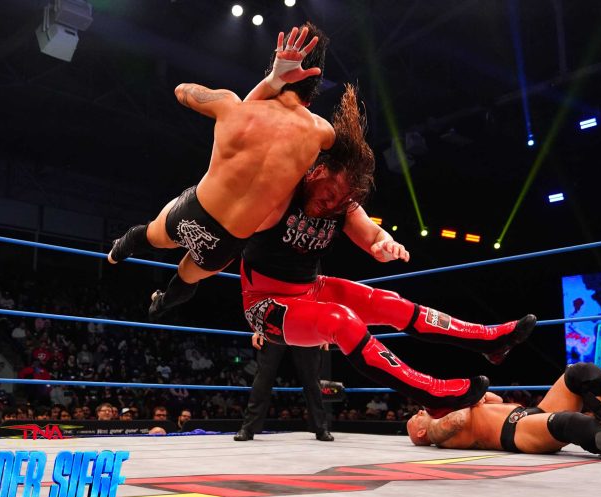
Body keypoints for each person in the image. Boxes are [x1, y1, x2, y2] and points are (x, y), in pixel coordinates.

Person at [240, 91, 536, 413]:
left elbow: (373, 236)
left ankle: (488, 341)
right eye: (330, 193)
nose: (332, 204)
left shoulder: (343, 206)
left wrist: (384, 244)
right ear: (317, 171)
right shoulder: (280, 193)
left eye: (342, 200)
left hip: (311, 289)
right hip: (266, 305)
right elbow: (249, 137)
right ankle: (432, 395)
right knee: (342, 321)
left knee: (390, 303)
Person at [107, 24, 336, 320]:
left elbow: (182, 91)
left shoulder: (233, 107)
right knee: (187, 277)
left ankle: (119, 250)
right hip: (228, 241)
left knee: (151, 235)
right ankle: (160, 305)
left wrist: (272, 80)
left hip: (193, 210)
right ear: (312, 93)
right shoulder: (321, 132)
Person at [406, 362, 601, 462]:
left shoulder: (449, 409)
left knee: (581, 372)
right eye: (417, 416)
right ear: (420, 431)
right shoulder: (437, 429)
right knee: (572, 423)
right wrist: (461, 400)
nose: (421, 411)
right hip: (517, 432)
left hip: (532, 412)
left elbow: (491, 397)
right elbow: (460, 417)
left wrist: (474, 398)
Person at [234, 337, 332, 442]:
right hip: (276, 328)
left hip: (305, 330)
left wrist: (324, 335)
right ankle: (248, 428)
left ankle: (321, 428)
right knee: (263, 376)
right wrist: (258, 329)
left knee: (312, 378)